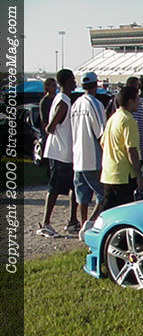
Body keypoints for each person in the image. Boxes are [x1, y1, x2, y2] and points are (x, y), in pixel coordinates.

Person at [36, 69, 79, 238]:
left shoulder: (63, 99)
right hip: (59, 152)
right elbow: (51, 127)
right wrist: (53, 128)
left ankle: (72, 221)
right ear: (67, 81)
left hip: (67, 152)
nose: (75, 82)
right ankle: (45, 223)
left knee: (74, 187)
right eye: (73, 79)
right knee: (54, 189)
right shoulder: (63, 102)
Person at [70, 71, 107, 240]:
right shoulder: (95, 104)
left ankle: (83, 221)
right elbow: (101, 133)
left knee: (82, 196)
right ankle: (90, 223)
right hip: (93, 157)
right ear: (96, 85)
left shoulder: (76, 104)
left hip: (78, 157)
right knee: (104, 194)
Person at [100, 86, 143, 211]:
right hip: (123, 175)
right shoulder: (128, 120)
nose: (139, 102)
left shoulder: (113, 118)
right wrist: (139, 175)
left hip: (109, 172)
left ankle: (93, 221)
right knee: (124, 211)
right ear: (130, 101)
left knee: (107, 209)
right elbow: (131, 150)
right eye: (137, 99)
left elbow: (103, 143)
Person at [38, 78, 57, 151]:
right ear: (47, 87)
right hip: (49, 131)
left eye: (55, 85)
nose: (55, 87)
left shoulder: (57, 98)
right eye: (53, 85)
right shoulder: (44, 101)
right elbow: (44, 120)